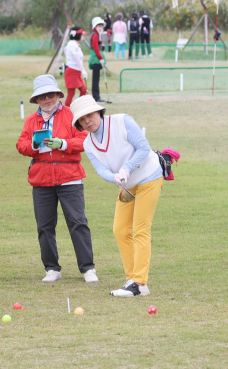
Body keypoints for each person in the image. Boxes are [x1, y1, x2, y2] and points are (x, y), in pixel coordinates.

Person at [70, 96, 163, 297]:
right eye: (82, 119)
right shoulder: (88, 144)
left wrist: (126, 168)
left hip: (149, 176)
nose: (87, 121)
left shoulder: (122, 121)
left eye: (90, 115)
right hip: (128, 185)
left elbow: (143, 148)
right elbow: (101, 169)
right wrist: (115, 177)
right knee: (120, 230)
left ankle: (139, 283)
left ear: (99, 112)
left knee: (140, 229)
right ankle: (133, 280)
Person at [16, 75, 98, 283]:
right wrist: (34, 145)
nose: (47, 99)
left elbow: (84, 140)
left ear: (58, 94)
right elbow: (21, 145)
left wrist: (62, 144)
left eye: (50, 94)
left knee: (78, 222)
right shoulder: (31, 121)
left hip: (69, 177)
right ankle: (52, 268)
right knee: (44, 225)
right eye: (42, 96)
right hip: (41, 179)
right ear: (36, 99)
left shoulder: (72, 115)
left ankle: (87, 268)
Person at [63, 26, 88, 106]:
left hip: (76, 71)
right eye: (82, 35)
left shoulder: (74, 44)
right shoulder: (72, 44)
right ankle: (66, 110)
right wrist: (83, 70)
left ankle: (79, 106)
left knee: (83, 90)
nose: (83, 36)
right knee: (71, 93)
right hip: (72, 71)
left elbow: (65, 49)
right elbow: (76, 59)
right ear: (78, 35)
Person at [88, 17, 107, 104]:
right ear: (95, 26)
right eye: (99, 25)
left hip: (97, 59)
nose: (100, 27)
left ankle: (96, 96)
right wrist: (101, 58)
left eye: (101, 25)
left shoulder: (98, 35)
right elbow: (96, 49)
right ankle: (96, 97)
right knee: (95, 80)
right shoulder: (95, 35)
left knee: (96, 80)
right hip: (96, 60)